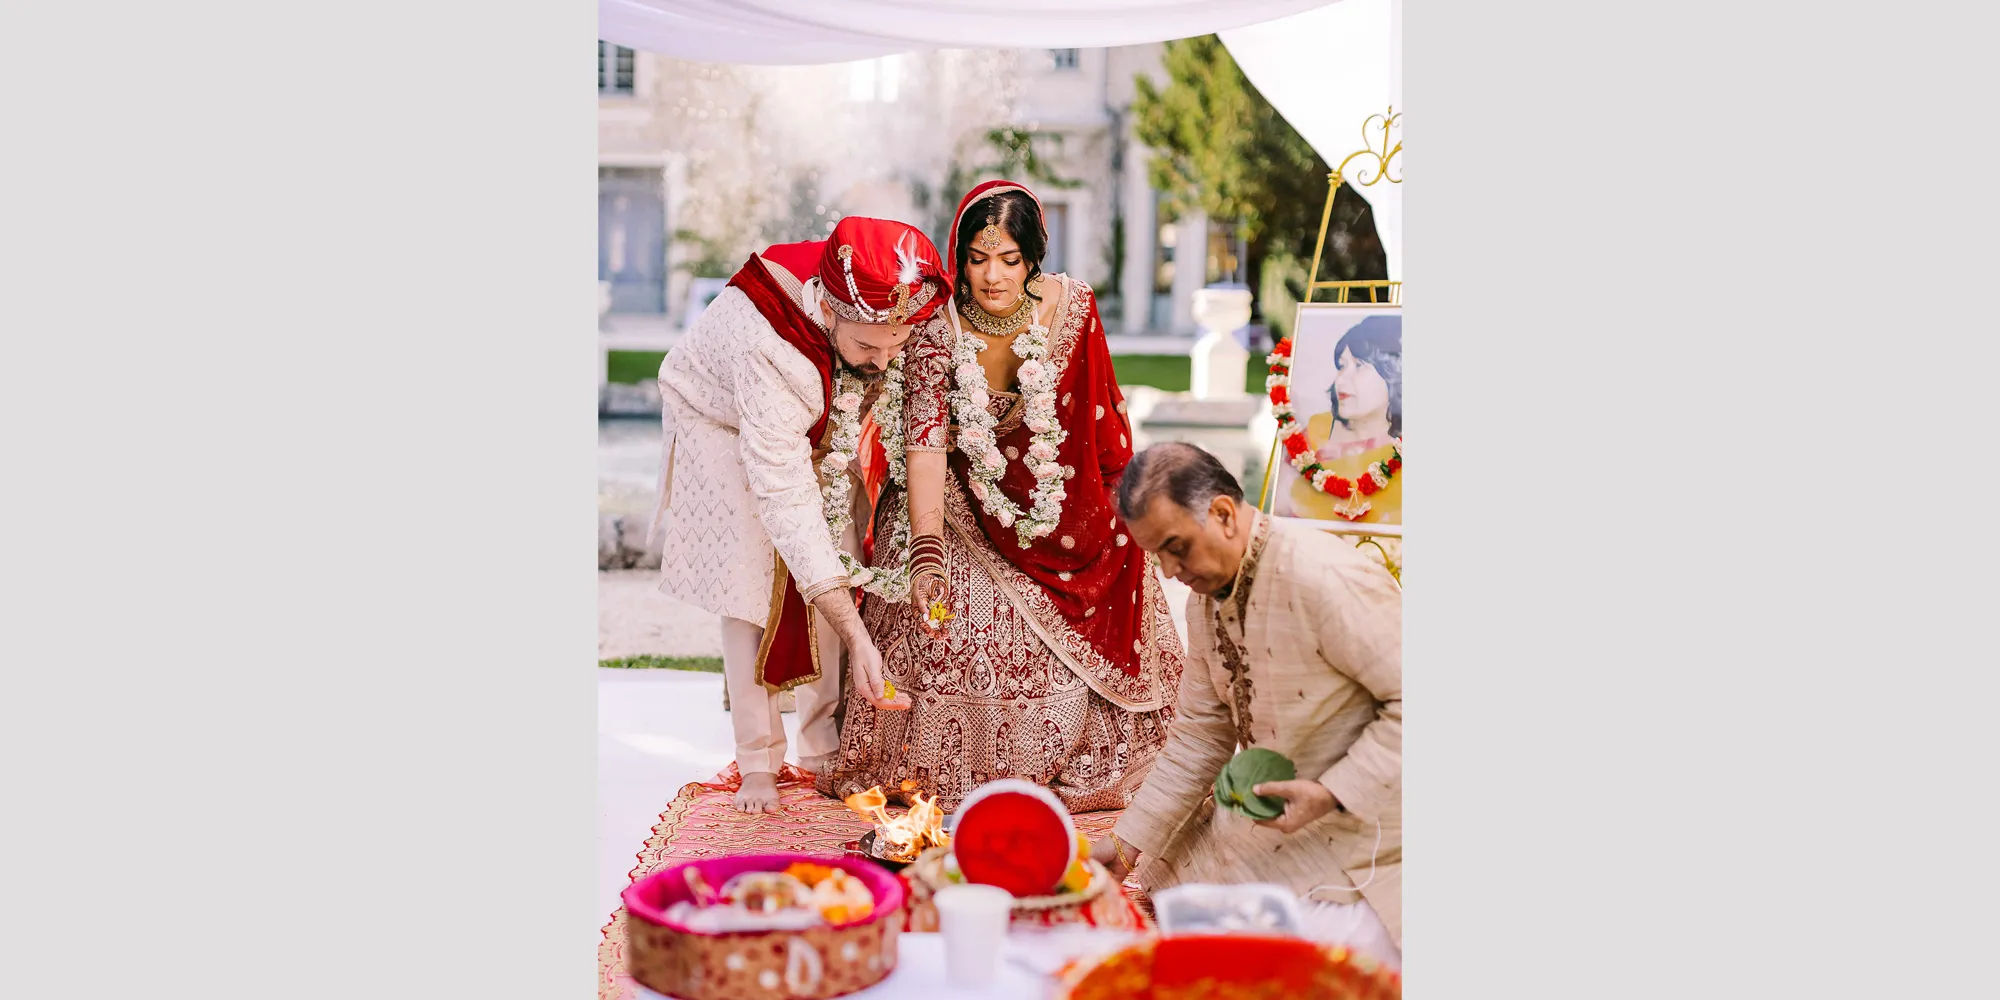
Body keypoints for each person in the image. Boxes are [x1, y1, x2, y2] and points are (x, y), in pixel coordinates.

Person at [816, 181, 1186, 813]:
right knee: (952, 618)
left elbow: (1100, 424)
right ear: (958, 258)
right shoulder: (935, 319)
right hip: (956, 503)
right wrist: (927, 544)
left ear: (1033, 259)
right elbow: (927, 437)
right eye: (978, 258)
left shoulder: (1073, 308)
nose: (993, 276)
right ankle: (945, 770)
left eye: (1010, 259)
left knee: (1125, 545)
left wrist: (1125, 507)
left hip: (1059, 501)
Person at [647, 216, 945, 814]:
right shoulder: (770, 353)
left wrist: (872, 352)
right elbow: (784, 500)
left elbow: (824, 551)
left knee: (836, 555)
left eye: (897, 345)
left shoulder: (875, 288)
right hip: (718, 417)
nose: (884, 363)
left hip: (799, 415)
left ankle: (821, 747)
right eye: (868, 347)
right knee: (749, 581)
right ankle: (759, 758)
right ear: (828, 314)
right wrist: (861, 637)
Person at [1095, 442, 1402, 966]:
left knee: (1260, 946)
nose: (1170, 572)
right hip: (1281, 815)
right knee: (1178, 859)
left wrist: (1331, 793)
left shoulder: (1322, 578)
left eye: (1177, 547)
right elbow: (1199, 735)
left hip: (1364, 830)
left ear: (1222, 514)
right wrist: (1123, 845)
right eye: (1158, 556)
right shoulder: (1206, 600)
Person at [1282, 314, 1402, 525]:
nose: (1342, 379)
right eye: (1342, 366)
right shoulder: (1314, 434)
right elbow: (1283, 505)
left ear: (1395, 372)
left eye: (1359, 365)